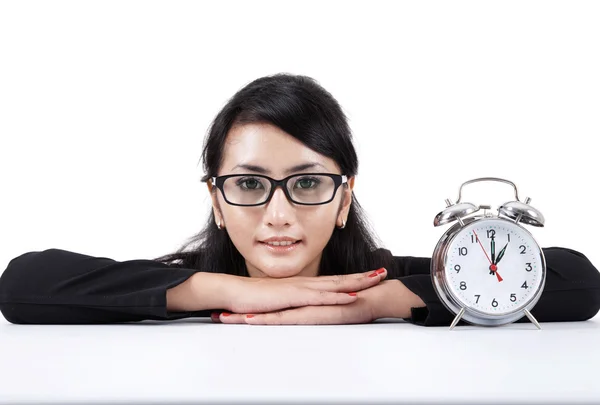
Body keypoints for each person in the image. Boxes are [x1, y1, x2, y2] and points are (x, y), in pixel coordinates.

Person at [1, 73, 599, 327]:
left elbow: (580, 281)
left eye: (308, 183)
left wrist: (377, 304)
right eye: (249, 184)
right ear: (216, 198)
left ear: (344, 199)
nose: (279, 216)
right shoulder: (184, 285)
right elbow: (22, 282)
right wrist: (231, 289)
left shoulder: (384, 281)